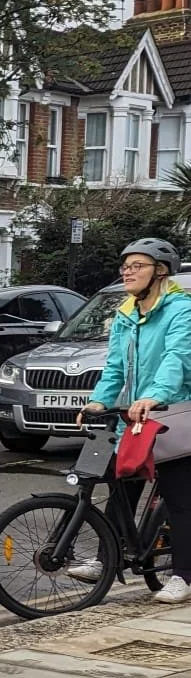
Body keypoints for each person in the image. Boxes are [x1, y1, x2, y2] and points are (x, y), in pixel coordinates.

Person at [81, 238, 191, 603]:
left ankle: (183, 575)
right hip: (133, 418)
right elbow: (114, 367)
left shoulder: (180, 310)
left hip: (171, 414)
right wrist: (98, 403)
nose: (127, 271)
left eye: (137, 265)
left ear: (160, 271)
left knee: (180, 500)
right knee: (119, 487)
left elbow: (178, 357)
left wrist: (155, 395)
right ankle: (106, 559)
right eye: (125, 265)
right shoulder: (126, 314)